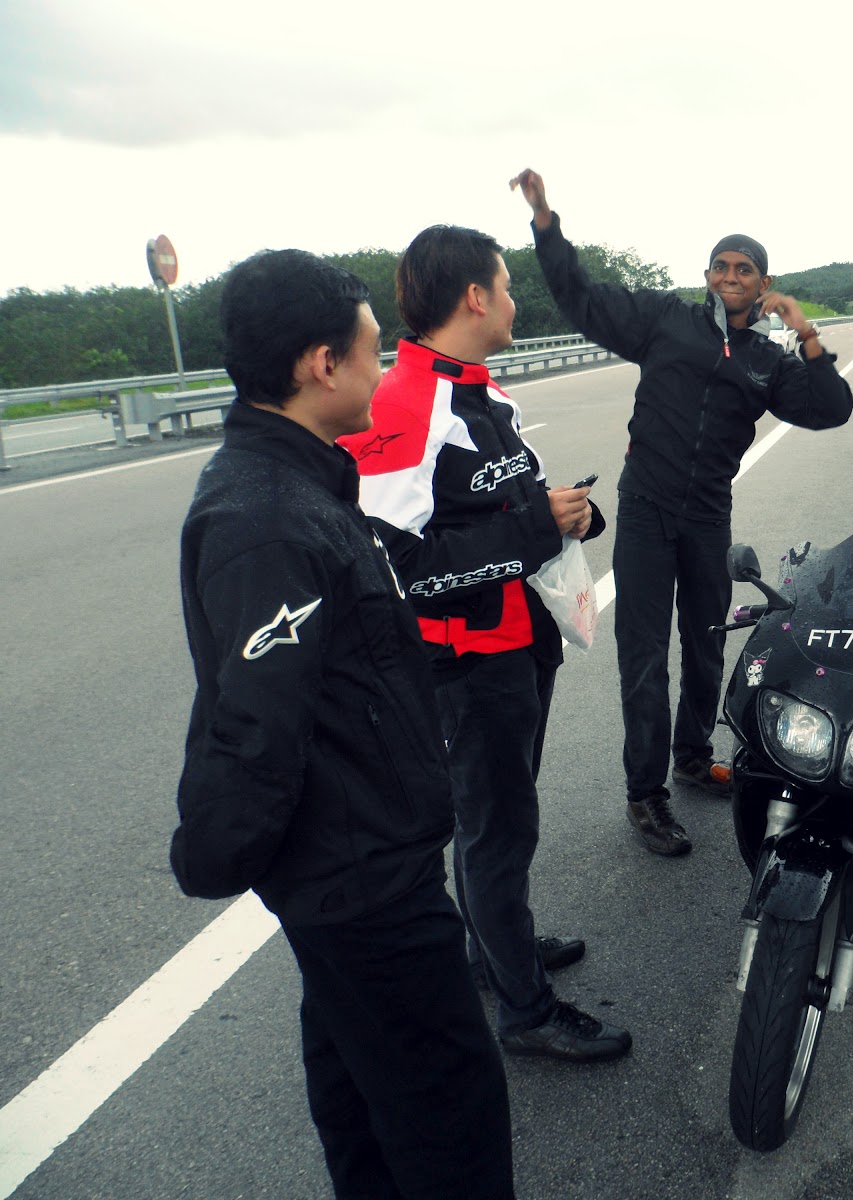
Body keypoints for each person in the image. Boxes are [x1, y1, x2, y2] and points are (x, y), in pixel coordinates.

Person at [170, 249, 516, 1197]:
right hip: (361, 884)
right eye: (372, 351)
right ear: (322, 365)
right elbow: (254, 727)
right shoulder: (267, 518)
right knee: (449, 1115)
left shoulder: (302, 483)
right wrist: (213, 854)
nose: (383, 367)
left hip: (357, 863)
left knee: (362, 1097)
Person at [339, 224, 631, 1061]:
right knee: (496, 830)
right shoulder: (405, 402)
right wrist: (535, 524)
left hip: (520, 638)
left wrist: (566, 513)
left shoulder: (479, 391)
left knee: (503, 820)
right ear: (474, 297)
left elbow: (502, 505)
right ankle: (525, 1011)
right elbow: (397, 566)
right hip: (469, 658)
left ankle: (493, 951)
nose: (511, 302)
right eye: (504, 287)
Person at [511, 167, 853, 857]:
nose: (731, 276)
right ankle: (645, 793)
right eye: (721, 266)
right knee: (643, 657)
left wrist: (808, 335)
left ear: (764, 282)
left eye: (744, 269)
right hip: (645, 510)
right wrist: (546, 222)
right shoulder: (664, 321)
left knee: (706, 644)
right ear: (706, 275)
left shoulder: (768, 360)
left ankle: (693, 757)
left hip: (707, 517)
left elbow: (831, 408)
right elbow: (581, 297)